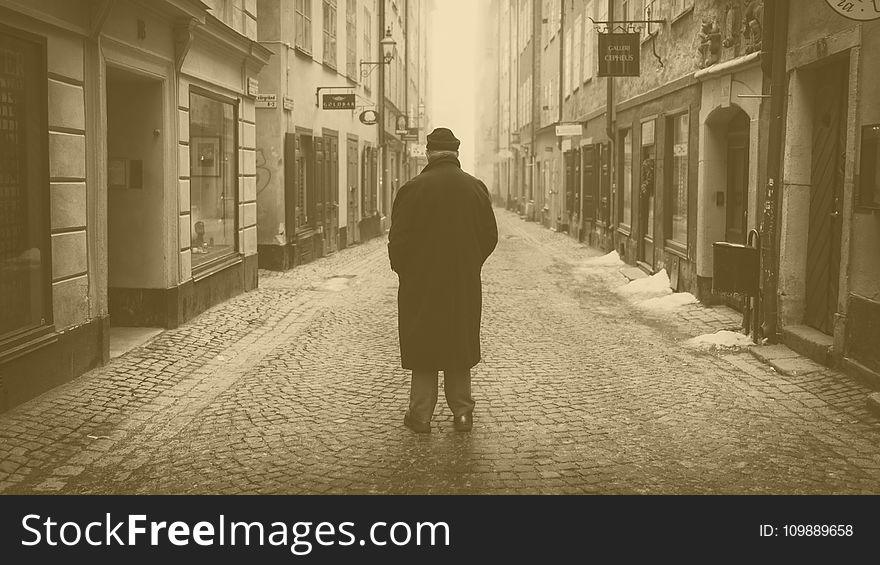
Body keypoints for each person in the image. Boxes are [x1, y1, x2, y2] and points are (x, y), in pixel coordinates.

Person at [388, 127, 498, 433]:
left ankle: (420, 416)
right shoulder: (475, 188)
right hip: (461, 283)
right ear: (456, 154)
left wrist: (407, 271)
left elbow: (397, 241)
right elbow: (490, 236)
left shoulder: (412, 188)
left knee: (424, 348)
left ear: (428, 153)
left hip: (421, 285)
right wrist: (470, 263)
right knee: (458, 344)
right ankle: (462, 413)